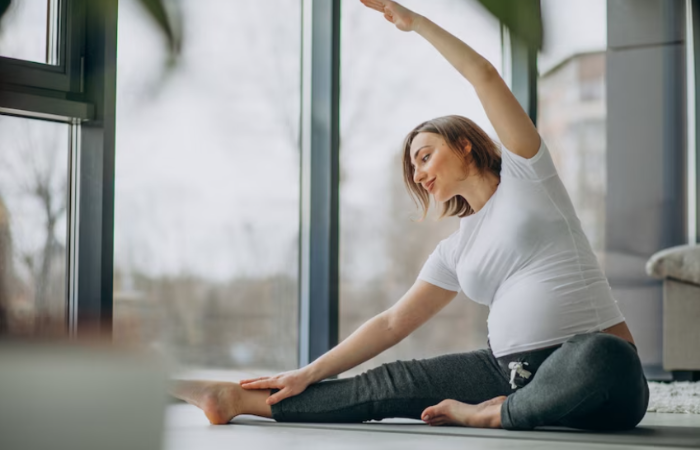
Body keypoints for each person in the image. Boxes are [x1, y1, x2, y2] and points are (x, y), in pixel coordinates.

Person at [170, 0, 649, 430]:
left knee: (603, 357)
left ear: (464, 144)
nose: (418, 174)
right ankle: (233, 399)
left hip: (597, 375)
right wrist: (310, 371)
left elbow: (484, 73)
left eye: (424, 156)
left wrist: (416, 22)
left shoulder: (529, 176)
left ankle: (494, 414)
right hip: (504, 371)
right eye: (411, 168)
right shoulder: (456, 249)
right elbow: (392, 323)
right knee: (389, 382)